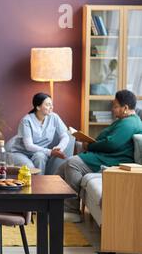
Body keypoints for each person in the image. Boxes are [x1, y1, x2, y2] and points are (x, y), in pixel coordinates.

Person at [58, 90, 142, 223]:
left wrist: (89, 146)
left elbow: (112, 144)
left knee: (72, 163)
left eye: (115, 106)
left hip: (113, 160)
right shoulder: (125, 121)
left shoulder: (130, 123)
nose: (112, 110)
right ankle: (55, 207)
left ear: (125, 108)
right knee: (62, 167)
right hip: (107, 155)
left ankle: (72, 211)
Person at [8, 93, 71, 175]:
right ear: (38, 107)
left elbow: (65, 135)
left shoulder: (54, 117)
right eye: (48, 105)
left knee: (40, 157)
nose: (51, 107)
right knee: (29, 167)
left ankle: (41, 185)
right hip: (20, 152)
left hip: (38, 152)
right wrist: (50, 152)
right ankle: (31, 186)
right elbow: (29, 146)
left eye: (52, 104)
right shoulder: (26, 120)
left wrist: (59, 148)